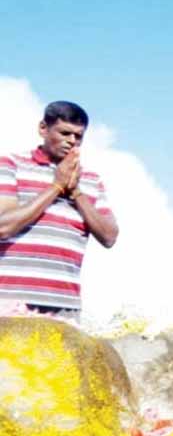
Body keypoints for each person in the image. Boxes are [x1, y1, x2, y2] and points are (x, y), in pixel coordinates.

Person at [0, 101, 118, 315]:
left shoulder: (91, 180)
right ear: (43, 129)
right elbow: (4, 226)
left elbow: (109, 236)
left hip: (65, 305)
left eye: (78, 136)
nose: (72, 141)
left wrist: (75, 193)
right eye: (65, 133)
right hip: (11, 300)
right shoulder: (10, 165)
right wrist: (56, 186)